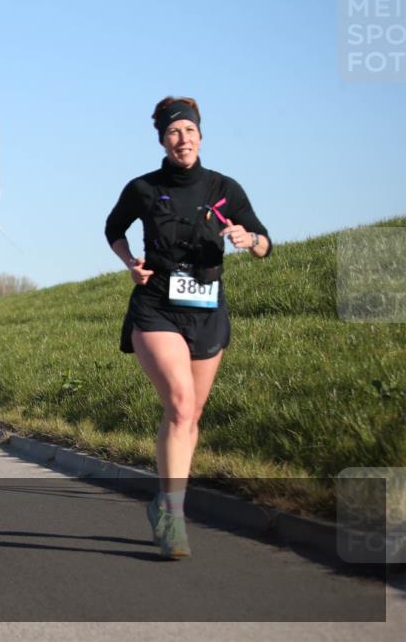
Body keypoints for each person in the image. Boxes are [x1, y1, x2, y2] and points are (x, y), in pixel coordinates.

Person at [104, 96, 272, 559]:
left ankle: (164, 499)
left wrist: (249, 238)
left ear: (201, 136)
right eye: (174, 132)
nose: (183, 139)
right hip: (157, 304)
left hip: (207, 308)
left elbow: (265, 243)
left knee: (190, 415)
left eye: (190, 132)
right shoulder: (142, 188)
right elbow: (113, 228)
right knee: (179, 405)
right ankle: (175, 516)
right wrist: (129, 265)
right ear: (162, 139)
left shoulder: (225, 189)